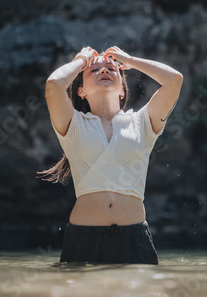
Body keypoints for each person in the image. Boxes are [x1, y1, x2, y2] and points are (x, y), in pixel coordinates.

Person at [37, 46, 183, 264]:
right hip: (84, 237)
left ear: (123, 90)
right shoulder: (73, 124)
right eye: (94, 70)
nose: (104, 71)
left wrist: (130, 60)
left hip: (134, 238)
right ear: (81, 91)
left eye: (111, 69)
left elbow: (174, 80)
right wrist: (81, 61)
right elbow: (54, 85)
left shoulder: (141, 122)